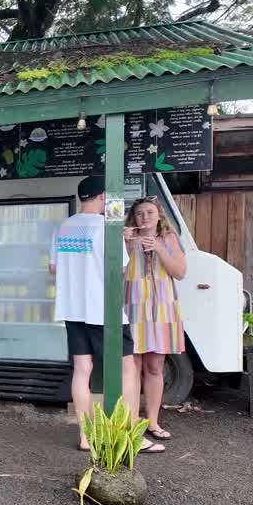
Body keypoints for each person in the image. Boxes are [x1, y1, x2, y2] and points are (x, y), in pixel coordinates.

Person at [50, 175, 164, 453]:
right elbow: (121, 269)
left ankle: (86, 437)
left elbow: (53, 269)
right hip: (104, 310)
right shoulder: (106, 227)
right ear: (102, 197)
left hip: (73, 309)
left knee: (82, 370)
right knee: (127, 369)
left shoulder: (63, 227)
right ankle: (130, 436)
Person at [124, 196, 188, 441]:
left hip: (162, 309)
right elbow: (114, 271)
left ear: (159, 215)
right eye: (140, 213)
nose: (145, 217)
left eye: (150, 212)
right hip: (133, 308)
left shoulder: (169, 239)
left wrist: (160, 249)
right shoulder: (126, 239)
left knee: (155, 367)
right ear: (134, 217)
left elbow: (180, 273)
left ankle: (152, 421)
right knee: (133, 367)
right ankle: (130, 423)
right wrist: (127, 245)